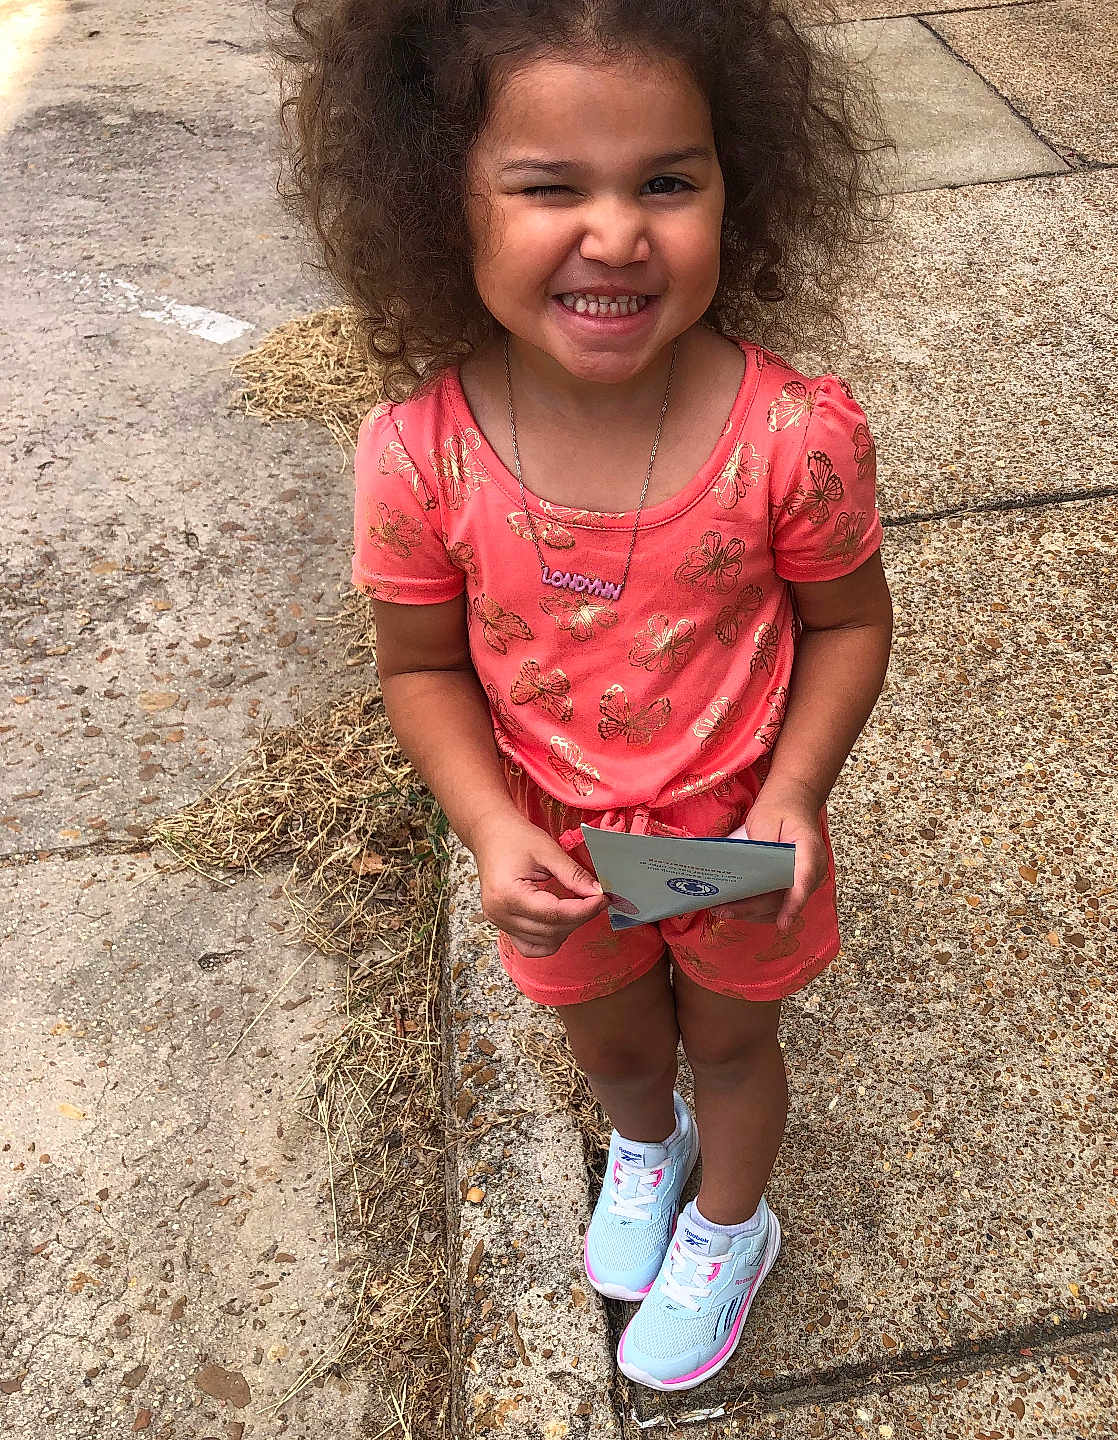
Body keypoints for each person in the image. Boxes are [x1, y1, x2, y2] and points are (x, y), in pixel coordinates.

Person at [279, 0, 893, 1392]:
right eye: (550, 185)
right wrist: (492, 830)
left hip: (736, 848)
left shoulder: (793, 438)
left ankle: (730, 1222)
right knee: (613, 1042)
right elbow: (422, 664)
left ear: (743, 184)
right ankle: (642, 1145)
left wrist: (795, 793)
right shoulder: (416, 458)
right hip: (550, 849)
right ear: (442, 206)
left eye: (666, 181)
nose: (616, 234)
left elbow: (853, 624)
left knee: (734, 1045)